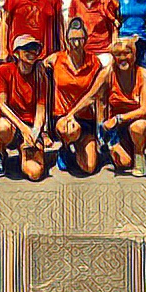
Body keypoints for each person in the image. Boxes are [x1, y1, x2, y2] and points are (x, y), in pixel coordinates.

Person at [69, 37, 146, 176]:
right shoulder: (108, 72)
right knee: (124, 163)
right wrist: (71, 114)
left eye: (126, 53)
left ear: (134, 54)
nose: (123, 58)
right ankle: (112, 145)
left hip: (136, 122)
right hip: (115, 128)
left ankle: (139, 155)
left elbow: (144, 110)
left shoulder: (145, 75)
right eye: (118, 54)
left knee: (138, 127)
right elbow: (90, 96)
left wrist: (119, 118)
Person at [42, 17, 103, 174]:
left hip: (85, 117)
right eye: (72, 40)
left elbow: (95, 96)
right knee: (70, 130)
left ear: (86, 39)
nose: (76, 44)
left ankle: (79, 146)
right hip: (62, 117)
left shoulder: (94, 62)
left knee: (89, 167)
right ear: (66, 40)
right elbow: (40, 67)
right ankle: (65, 147)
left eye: (80, 39)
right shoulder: (56, 59)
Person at [0, 35, 48, 180]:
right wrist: (23, 128)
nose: (32, 52)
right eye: (26, 48)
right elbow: (2, 104)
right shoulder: (3, 71)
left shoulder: (40, 75)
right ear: (16, 53)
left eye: (35, 48)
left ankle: (24, 150)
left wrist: (35, 132)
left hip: (30, 125)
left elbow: (41, 110)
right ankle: (0, 152)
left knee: (35, 173)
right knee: (1, 127)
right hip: (11, 123)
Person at [68, 0, 119, 66]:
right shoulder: (76, 1)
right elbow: (70, 27)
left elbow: (114, 27)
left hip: (103, 52)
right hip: (82, 52)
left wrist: (113, 46)